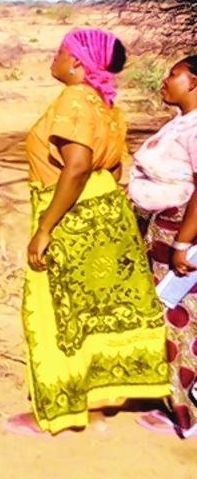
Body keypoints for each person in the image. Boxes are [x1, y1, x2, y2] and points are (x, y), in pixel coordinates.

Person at [6, 28, 169, 436]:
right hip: (106, 210)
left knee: (56, 313)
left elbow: (76, 166)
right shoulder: (105, 104)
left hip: (69, 213)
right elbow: (112, 171)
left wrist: (46, 228)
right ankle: (113, 395)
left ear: (78, 64)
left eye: (61, 51)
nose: (54, 57)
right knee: (100, 313)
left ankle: (62, 409)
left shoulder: (75, 100)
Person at [128, 55, 197, 438]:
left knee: (182, 320)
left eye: (174, 75)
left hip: (180, 237)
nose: (164, 80)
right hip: (164, 233)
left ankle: (189, 412)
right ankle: (177, 401)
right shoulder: (181, 124)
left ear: (194, 83)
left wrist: (184, 242)